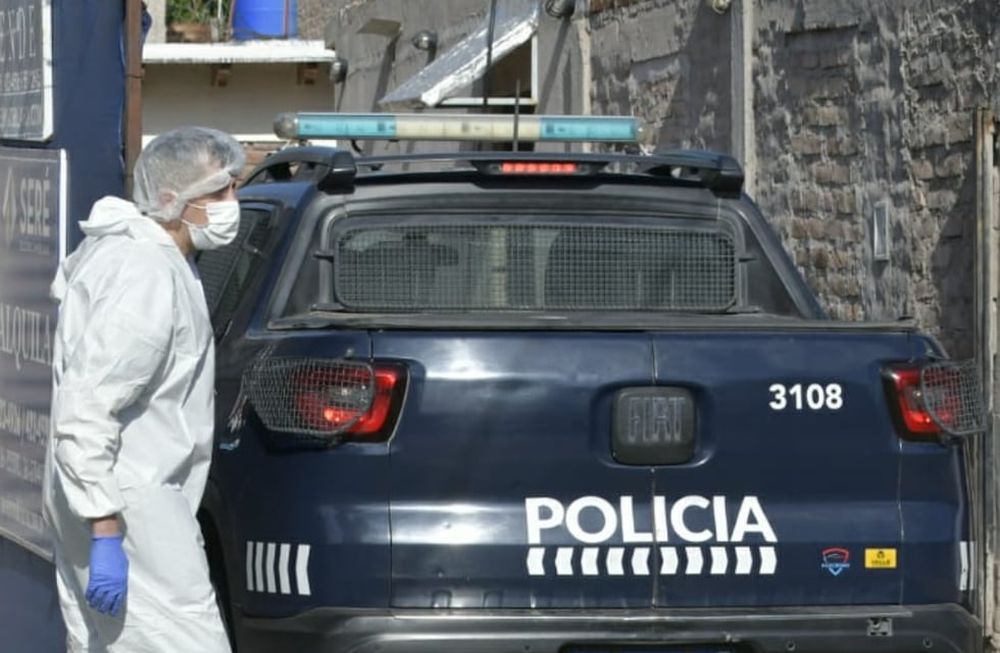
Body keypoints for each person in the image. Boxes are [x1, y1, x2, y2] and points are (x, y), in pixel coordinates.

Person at [43, 126, 245, 652]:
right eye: (219, 190)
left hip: (110, 498)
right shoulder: (144, 273)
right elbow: (87, 408)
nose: (232, 202)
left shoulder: (145, 257)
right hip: (128, 507)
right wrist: (106, 527)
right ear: (172, 198)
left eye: (233, 186)